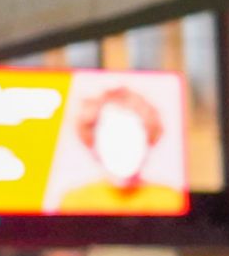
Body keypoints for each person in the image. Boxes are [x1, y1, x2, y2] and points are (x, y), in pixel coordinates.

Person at [55, 85, 185, 214]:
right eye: (112, 135)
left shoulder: (171, 201)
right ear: (93, 143)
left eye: (132, 135)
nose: (122, 146)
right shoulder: (75, 203)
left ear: (149, 139)